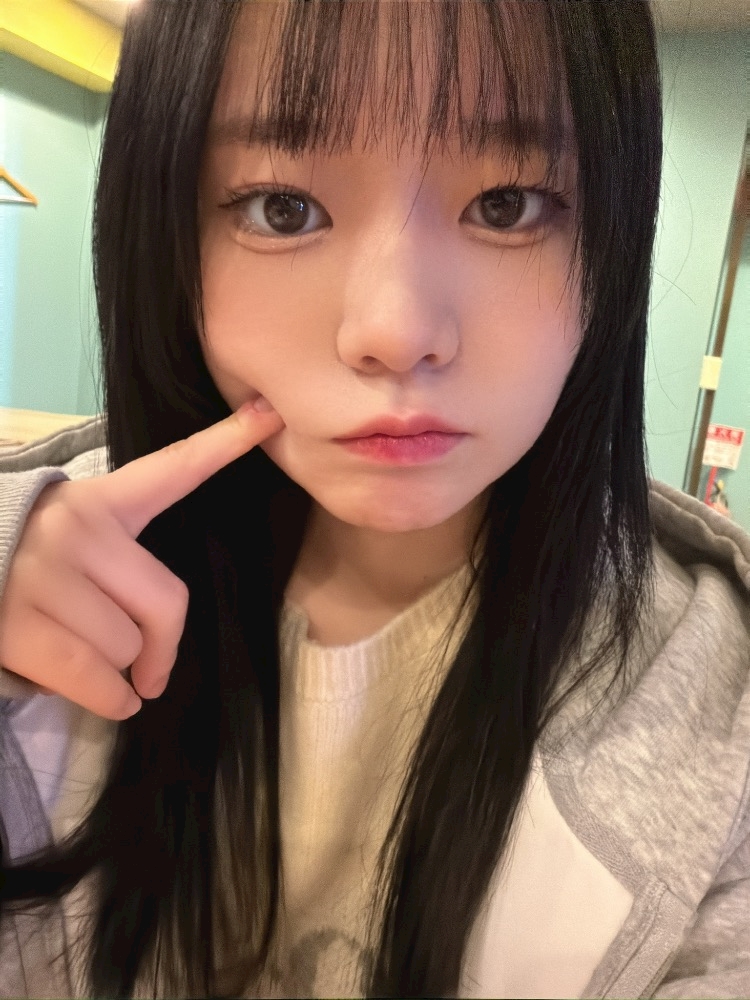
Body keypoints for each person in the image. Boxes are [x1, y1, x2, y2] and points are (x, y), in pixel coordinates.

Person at [0, 1, 748, 997]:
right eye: (282, 208)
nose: (396, 332)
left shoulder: (723, 728)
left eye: (507, 205)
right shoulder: (40, 582)